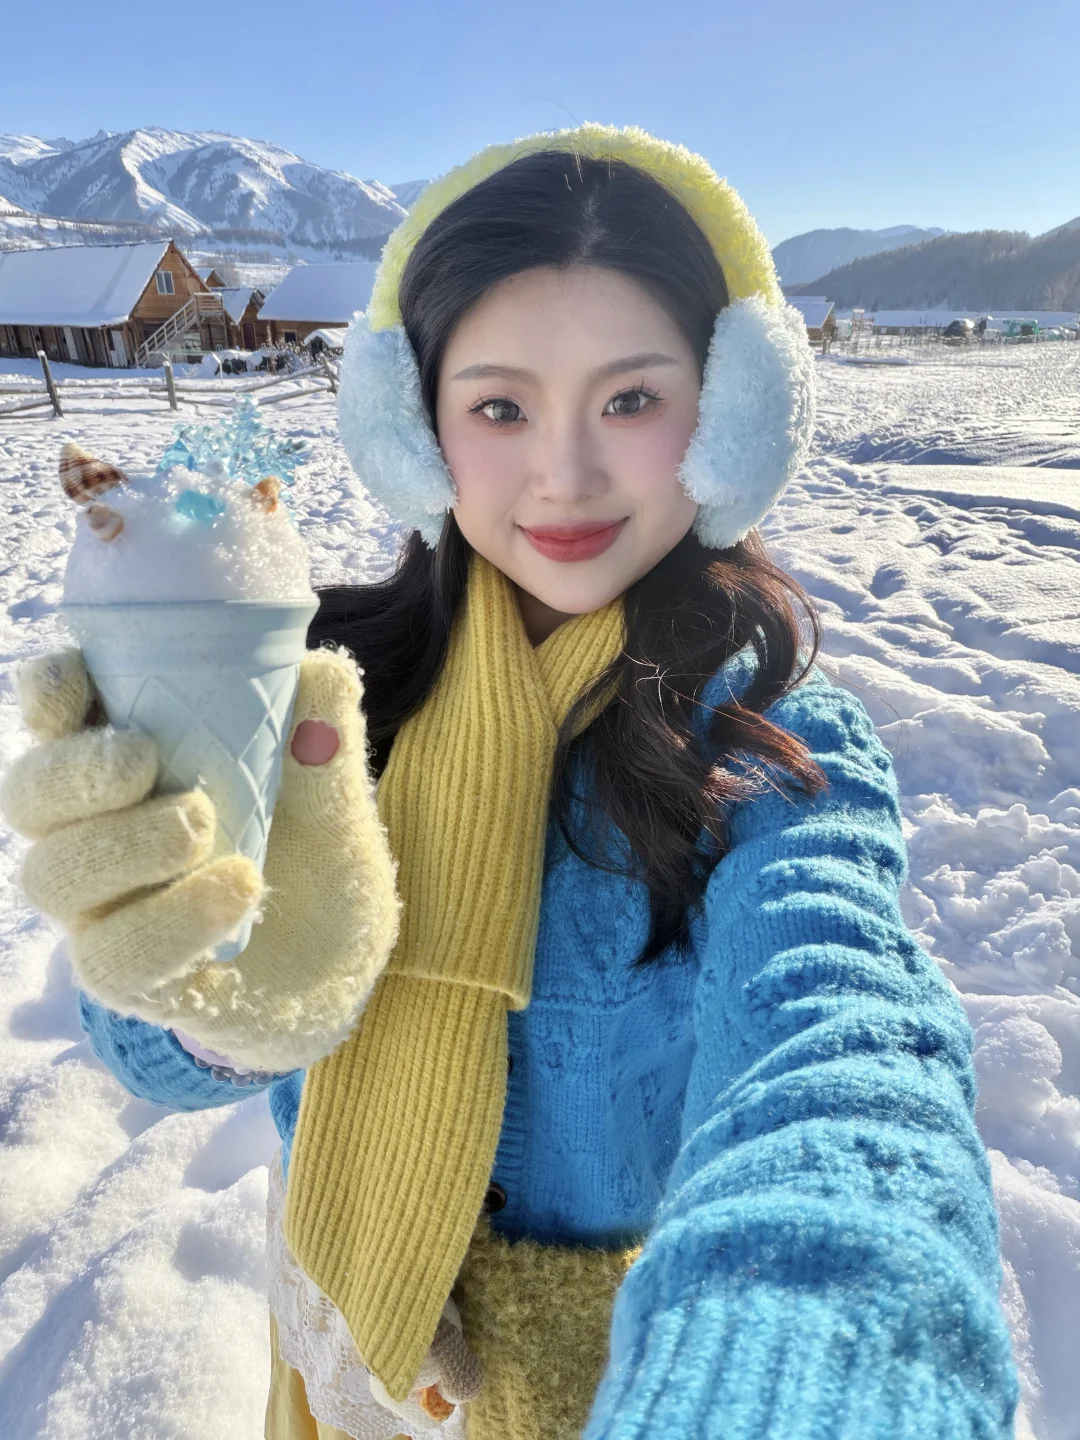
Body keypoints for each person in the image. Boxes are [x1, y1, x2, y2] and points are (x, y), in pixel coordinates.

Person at [0, 124, 1020, 1440]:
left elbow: (837, 1035)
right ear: (415, 430)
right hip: (339, 1333)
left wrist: (807, 1353)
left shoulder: (767, 745)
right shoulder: (324, 694)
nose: (566, 474)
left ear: (730, 418)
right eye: (499, 407)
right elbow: (146, 1050)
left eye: (631, 400)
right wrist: (207, 993)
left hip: (613, 1384)